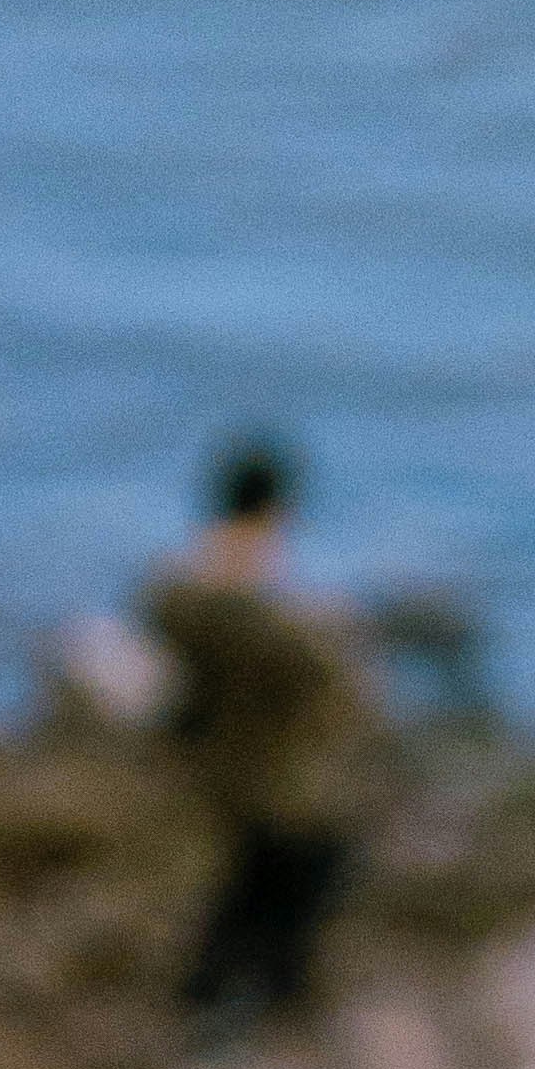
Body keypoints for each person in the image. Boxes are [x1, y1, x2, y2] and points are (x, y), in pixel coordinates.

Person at [143, 431, 382, 1035]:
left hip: (221, 763)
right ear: (277, 504)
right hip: (268, 772)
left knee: (251, 885)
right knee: (292, 881)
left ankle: (220, 1004)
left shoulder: (190, 572)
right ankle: (252, 1012)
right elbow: (302, 671)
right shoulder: (247, 574)